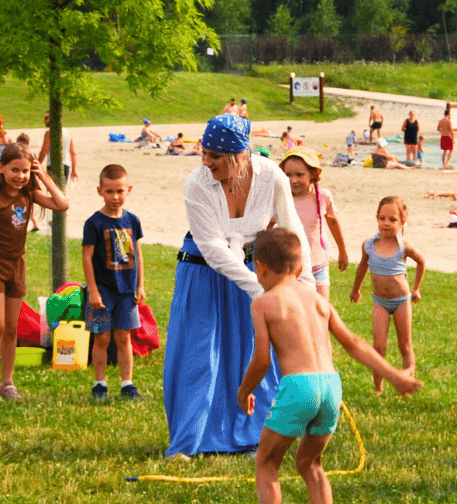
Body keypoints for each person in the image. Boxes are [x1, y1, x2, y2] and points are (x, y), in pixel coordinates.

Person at [239, 229, 421, 504]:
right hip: (331, 388)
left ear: (259, 267)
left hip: (299, 387)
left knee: (267, 463)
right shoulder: (318, 301)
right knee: (311, 464)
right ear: (299, 269)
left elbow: (261, 360)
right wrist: (393, 375)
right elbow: (353, 343)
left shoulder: (264, 302)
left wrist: (245, 391)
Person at [164, 112, 311, 459]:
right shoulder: (197, 183)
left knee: (254, 353)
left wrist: (300, 283)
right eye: (204, 152)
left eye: (214, 155)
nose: (206, 161)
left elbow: (292, 230)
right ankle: (189, 441)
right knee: (201, 356)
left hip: (251, 268)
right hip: (202, 272)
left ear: (239, 156)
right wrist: (260, 289)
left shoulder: (271, 175)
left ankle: (252, 438)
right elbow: (213, 249)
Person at [0, 145, 68, 401]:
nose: (20, 176)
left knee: (12, 328)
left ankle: (7, 382)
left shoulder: (30, 194)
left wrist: (43, 176)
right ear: (1, 169)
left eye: (24, 171)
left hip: (17, 267)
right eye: (14, 170)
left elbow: (62, 204)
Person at [348, 196, 427, 394]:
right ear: (377, 219)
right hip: (380, 302)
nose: (386, 223)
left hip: (401, 301)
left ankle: (408, 384)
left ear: (402, 223)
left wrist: (416, 288)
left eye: (392, 220)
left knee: (404, 345)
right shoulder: (369, 245)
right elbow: (362, 267)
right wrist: (356, 288)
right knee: (379, 346)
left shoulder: (404, 247)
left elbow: (421, 261)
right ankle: (378, 387)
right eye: (382, 218)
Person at [82, 164, 146, 402]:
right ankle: (100, 383)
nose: (115, 197)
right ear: (100, 191)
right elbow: (87, 257)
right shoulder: (94, 223)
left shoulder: (133, 220)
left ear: (128, 190)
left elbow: (138, 254)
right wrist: (93, 291)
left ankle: (127, 383)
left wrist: (140, 285)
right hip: (103, 291)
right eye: (109, 191)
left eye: (120, 191)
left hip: (127, 290)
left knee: (123, 337)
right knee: (102, 337)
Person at [281, 149, 346, 299]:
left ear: (313, 174)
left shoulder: (323, 196)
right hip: (291, 266)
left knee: (322, 310)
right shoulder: (282, 198)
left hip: (318, 264)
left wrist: (342, 251)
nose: (293, 180)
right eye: (288, 175)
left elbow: (333, 223)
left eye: (299, 175)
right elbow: (267, 228)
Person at [437, 104, 455, 170]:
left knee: (445, 151)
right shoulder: (448, 121)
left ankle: (443, 163)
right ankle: (448, 162)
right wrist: (453, 138)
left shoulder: (441, 121)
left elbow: (438, 129)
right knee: (452, 150)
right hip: (448, 136)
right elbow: (451, 130)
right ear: (449, 114)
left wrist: (443, 130)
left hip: (443, 136)